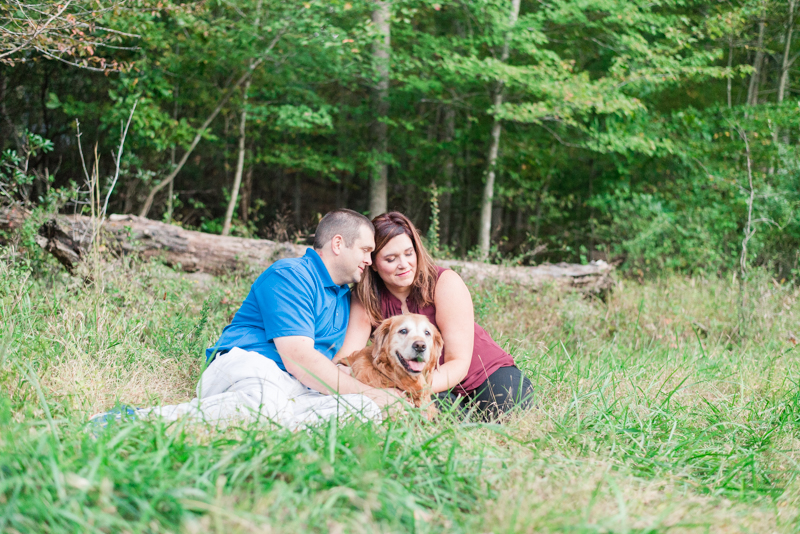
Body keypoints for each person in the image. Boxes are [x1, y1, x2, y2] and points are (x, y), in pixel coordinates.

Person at [95, 209, 407, 430]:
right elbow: (300, 359)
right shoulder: (292, 274)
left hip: (296, 387)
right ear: (339, 244)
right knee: (265, 404)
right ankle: (134, 421)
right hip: (249, 366)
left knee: (364, 411)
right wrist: (374, 393)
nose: (369, 259)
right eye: (366, 250)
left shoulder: (343, 298)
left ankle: (265, 427)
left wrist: (373, 398)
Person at [337, 212, 534, 421]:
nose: (403, 264)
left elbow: (458, 362)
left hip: (480, 373)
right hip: (421, 383)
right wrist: (376, 391)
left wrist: (409, 391)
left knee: (511, 412)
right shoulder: (365, 298)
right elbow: (348, 359)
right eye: (390, 259)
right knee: (445, 423)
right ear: (374, 264)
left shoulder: (444, 282)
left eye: (408, 253)